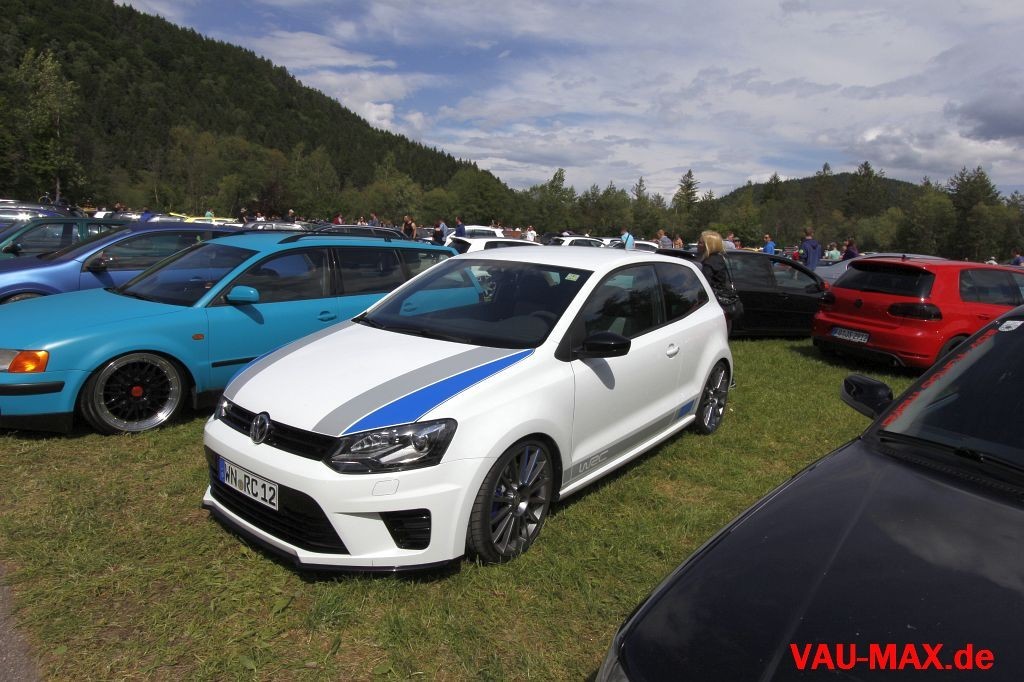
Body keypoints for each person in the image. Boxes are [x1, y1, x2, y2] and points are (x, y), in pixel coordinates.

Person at [698, 230, 738, 333]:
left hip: (714, 307)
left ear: (708, 245)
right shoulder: (720, 259)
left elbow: (704, 287)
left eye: (701, 242)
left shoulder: (708, 263)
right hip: (723, 306)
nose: (698, 245)